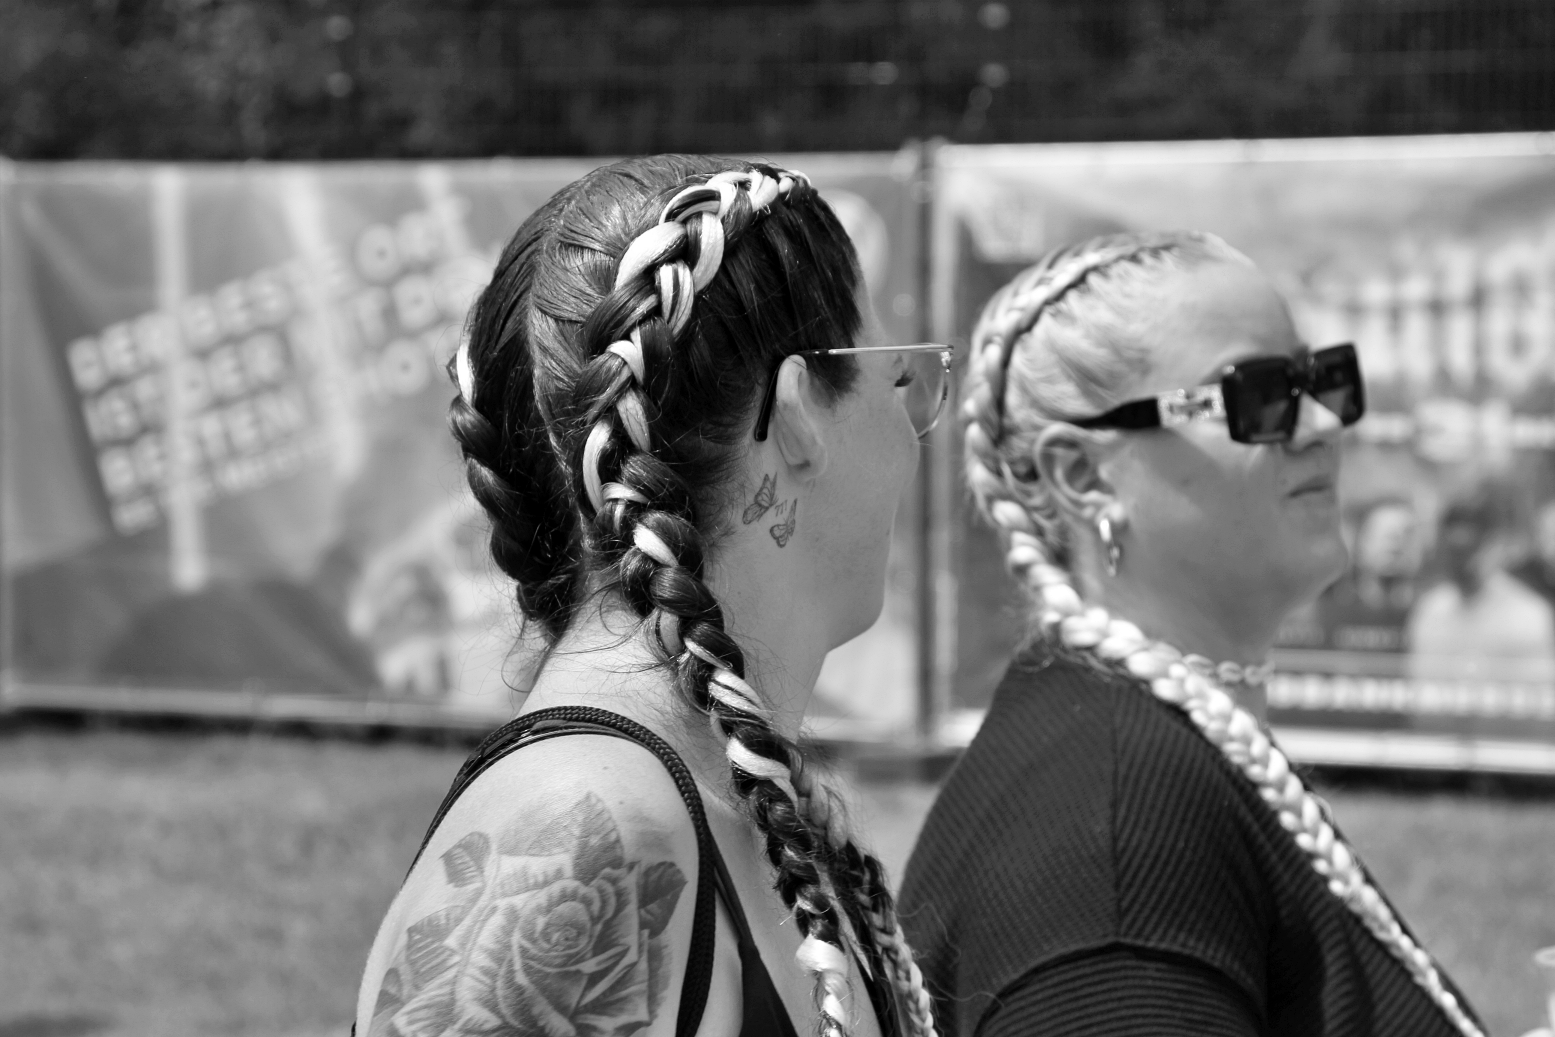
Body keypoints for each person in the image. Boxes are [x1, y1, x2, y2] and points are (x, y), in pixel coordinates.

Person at [354, 157, 947, 1037]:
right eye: (897, 376)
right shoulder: (581, 833)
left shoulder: (730, 800)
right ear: (795, 414)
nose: (913, 431)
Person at [900, 232, 1483, 1037]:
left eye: (1319, 378)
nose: (1319, 424)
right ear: (1082, 474)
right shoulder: (1110, 836)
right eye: (1258, 394)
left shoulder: (1132, 743)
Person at [1408, 483, 1555, 682]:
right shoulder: (1431, 610)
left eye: (1468, 549)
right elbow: (1420, 687)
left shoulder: (1526, 616)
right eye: (1453, 550)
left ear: (1494, 545)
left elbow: (1536, 694)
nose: (1461, 562)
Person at [1317, 497, 1423, 653]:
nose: (1396, 542)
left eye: (1407, 533)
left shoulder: (1435, 615)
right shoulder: (1323, 611)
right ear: (1360, 543)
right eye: (1384, 533)